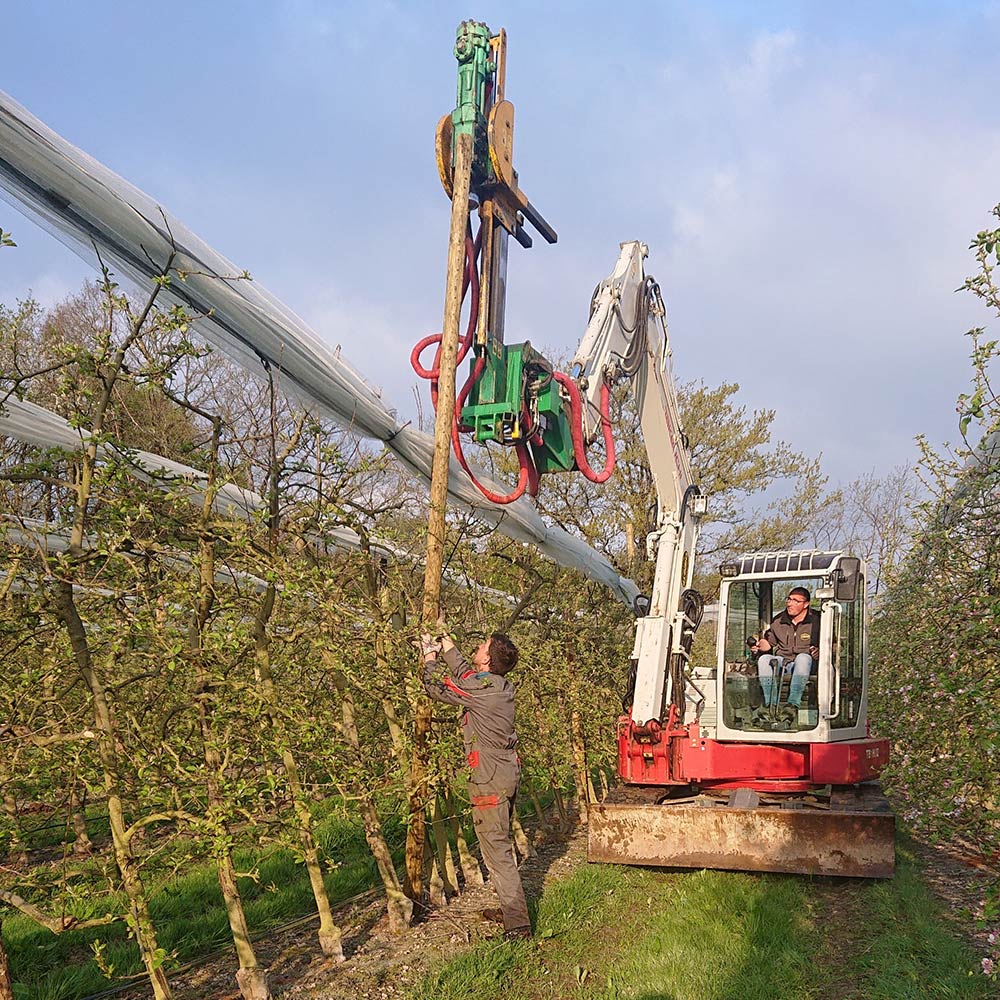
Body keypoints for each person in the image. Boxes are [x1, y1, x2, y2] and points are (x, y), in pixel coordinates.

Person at [419, 622, 531, 941]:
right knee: (499, 846)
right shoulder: (498, 685)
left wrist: (429, 657)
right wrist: (448, 647)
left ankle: (519, 926)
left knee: (497, 852)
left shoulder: (482, 690)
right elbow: (469, 676)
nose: (478, 647)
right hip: (505, 773)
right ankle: (512, 912)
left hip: (490, 781)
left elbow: (440, 688)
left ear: (487, 659)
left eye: (482, 645)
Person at [751, 587, 820, 725]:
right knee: (764, 659)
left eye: (795, 600)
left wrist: (821, 651)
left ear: (806, 604)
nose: (790, 603)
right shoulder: (778, 620)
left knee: (803, 658)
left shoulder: (818, 620)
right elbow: (769, 643)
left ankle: (792, 706)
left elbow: (835, 645)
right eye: (789, 599)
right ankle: (770, 705)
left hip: (808, 664)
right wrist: (759, 645)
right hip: (785, 663)